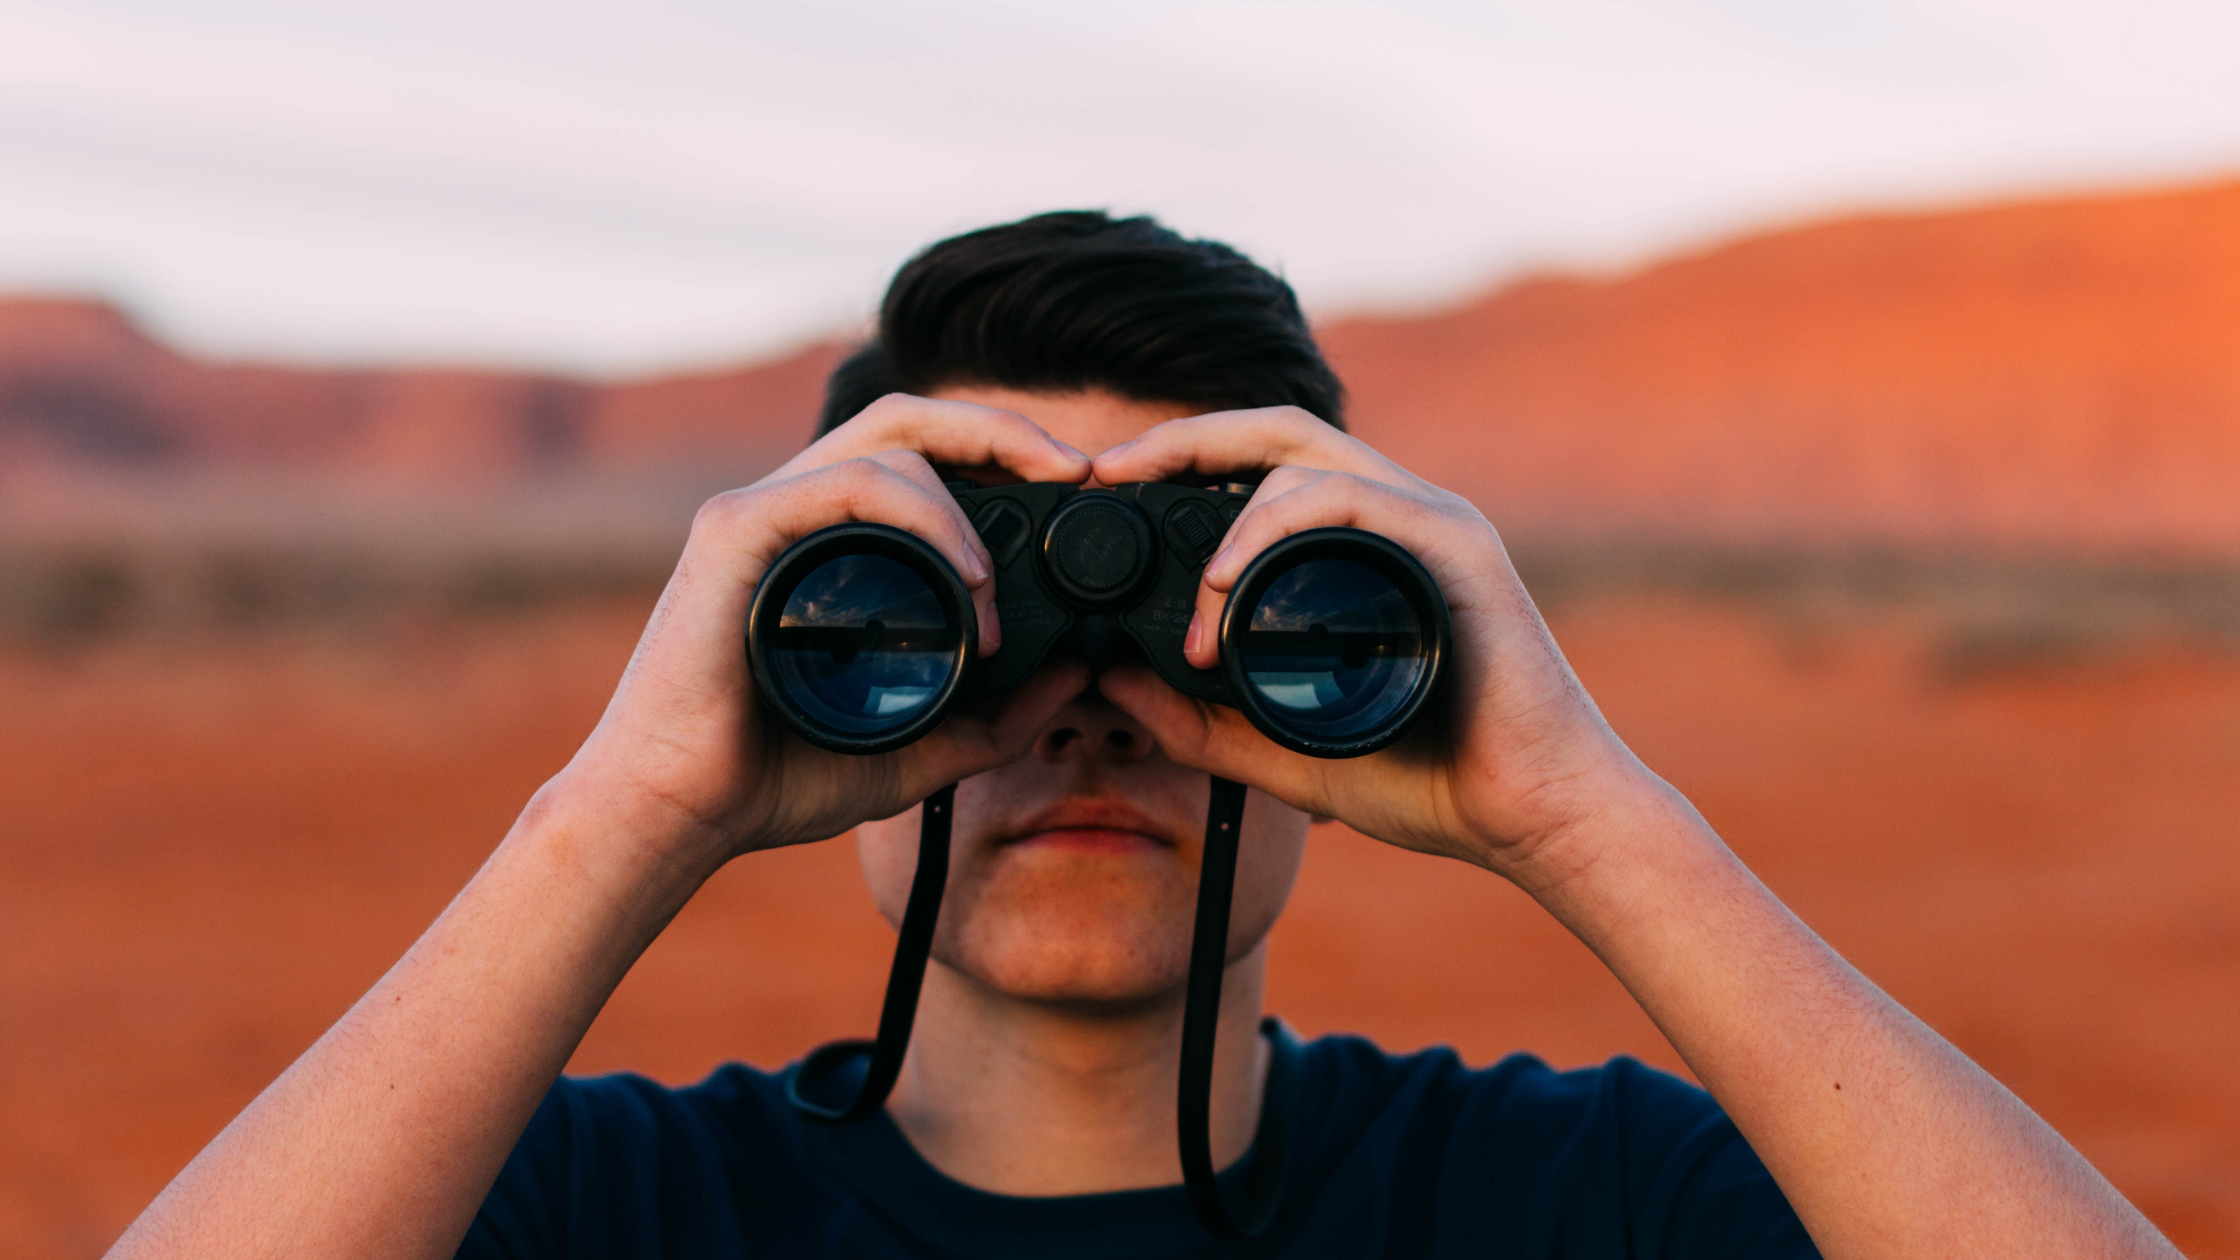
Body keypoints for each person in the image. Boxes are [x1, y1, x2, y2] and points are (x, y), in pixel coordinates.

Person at [109, 212, 2177, 1260]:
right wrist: (621, 806)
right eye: (948, 616)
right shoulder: (605, 1209)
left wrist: (1587, 812)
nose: (1089, 703)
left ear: (1381, 641)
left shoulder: (1580, 1201)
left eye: (1215, 621)